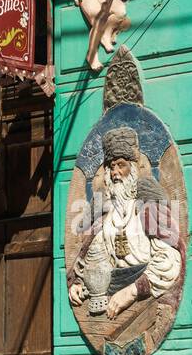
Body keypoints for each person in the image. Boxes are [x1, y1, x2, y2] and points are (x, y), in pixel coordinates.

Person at [68, 125, 182, 320]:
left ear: (134, 168)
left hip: (145, 300)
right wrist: (78, 283)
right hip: (108, 301)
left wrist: (132, 292)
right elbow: (91, 256)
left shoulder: (149, 209)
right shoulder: (105, 214)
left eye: (121, 165)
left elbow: (170, 261)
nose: (115, 173)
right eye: (111, 167)